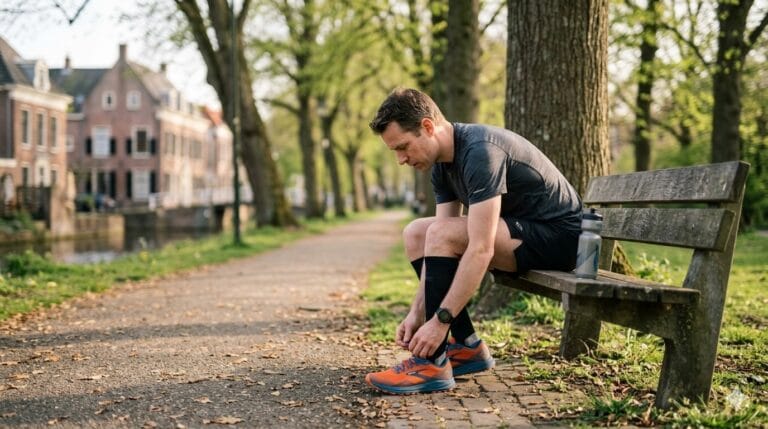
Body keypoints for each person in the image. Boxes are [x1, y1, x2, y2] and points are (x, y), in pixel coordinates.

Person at [364, 88, 583, 394]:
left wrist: (438, 322)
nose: (401, 159)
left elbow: (481, 248)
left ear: (428, 127)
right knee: (417, 232)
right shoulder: (442, 164)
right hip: (522, 232)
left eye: (403, 147)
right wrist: (417, 312)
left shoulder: (480, 151)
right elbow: (436, 244)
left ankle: (432, 363)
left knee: (440, 233)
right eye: (395, 152)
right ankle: (465, 345)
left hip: (561, 239)